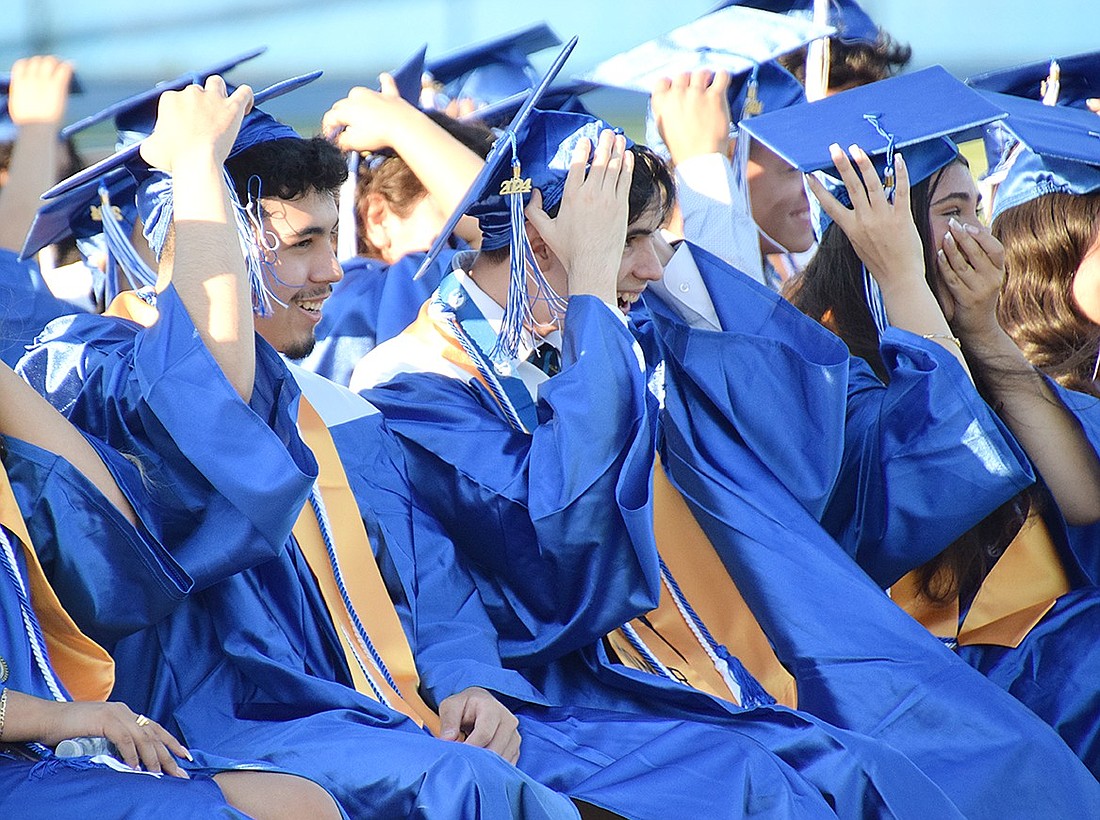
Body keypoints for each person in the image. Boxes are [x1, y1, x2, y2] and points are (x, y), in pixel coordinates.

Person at [352, 99, 1100, 817]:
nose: (654, 263)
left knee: (995, 755)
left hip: (766, 654)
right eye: (631, 237)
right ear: (549, 245)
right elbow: (564, 539)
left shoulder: (646, 331)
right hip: (606, 686)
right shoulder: (419, 380)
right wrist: (590, 294)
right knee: (796, 781)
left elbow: (827, 449)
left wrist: (906, 280)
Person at [20, 74, 587, 819]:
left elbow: (429, 579)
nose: (332, 271)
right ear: (211, 243)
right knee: (469, 789)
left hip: (368, 713)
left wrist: (470, 680)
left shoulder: (339, 408)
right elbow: (204, 404)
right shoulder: (89, 375)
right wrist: (197, 171)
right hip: (228, 722)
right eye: (302, 243)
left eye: (334, 237)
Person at [774, 72, 1100, 773]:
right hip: (952, 678)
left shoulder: (976, 348)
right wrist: (900, 277)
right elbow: (950, 466)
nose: (980, 234)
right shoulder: (828, 373)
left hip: (1049, 641)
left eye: (979, 208)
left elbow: (1083, 495)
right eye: (954, 211)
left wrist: (984, 332)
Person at [0, 355, 343, 819]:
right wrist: (59, 717)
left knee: (301, 803)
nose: (333, 276)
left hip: (31, 744)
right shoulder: (89, 354)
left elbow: (108, 533)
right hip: (27, 741)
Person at [300, 75, 494, 385]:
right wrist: (401, 125)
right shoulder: (398, 293)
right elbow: (506, 235)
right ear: (379, 219)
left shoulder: (310, 304)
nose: (465, 247)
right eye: (455, 223)